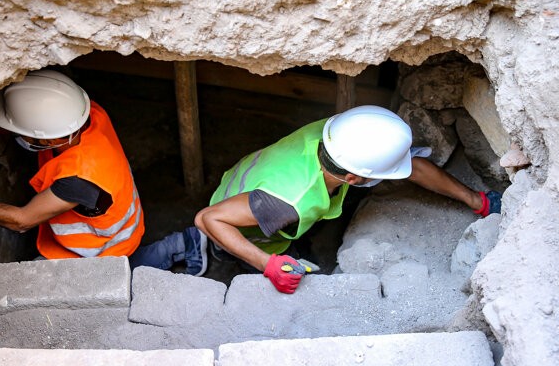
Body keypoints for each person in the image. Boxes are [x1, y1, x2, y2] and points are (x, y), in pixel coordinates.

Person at [146, 105, 501, 294]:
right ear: (353, 178)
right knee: (216, 240)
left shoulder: (341, 134)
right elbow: (209, 218)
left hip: (255, 178)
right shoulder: (290, 202)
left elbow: (410, 167)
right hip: (240, 213)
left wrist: (476, 201)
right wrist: (267, 265)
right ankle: (195, 249)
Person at [0, 69, 147, 260]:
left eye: (22, 133)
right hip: (123, 220)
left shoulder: (79, 179)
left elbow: (21, 221)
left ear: (47, 141)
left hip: (103, 249)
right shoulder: (84, 114)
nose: (18, 135)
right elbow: (25, 124)